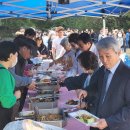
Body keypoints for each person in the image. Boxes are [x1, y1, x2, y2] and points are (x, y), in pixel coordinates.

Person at [77, 37, 130, 130]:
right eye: (101, 56)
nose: (104, 60)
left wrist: (109, 121)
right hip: (97, 122)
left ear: (118, 53)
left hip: (116, 126)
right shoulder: (102, 70)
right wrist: (86, 91)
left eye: (108, 56)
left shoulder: (127, 75)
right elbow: (96, 87)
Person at [0, 41, 21, 130]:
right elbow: (6, 102)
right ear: (11, 56)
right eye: (16, 55)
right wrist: (16, 96)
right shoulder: (3, 73)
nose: (16, 58)